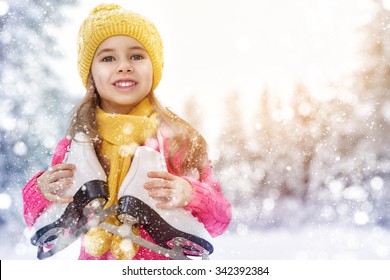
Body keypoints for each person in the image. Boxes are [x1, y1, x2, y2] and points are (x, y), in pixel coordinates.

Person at [22, 3, 231, 260]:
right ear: (91, 74)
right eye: (108, 58)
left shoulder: (177, 140)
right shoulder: (75, 146)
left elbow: (220, 219)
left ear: (153, 68)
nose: (124, 66)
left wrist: (191, 194)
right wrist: (40, 191)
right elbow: (32, 217)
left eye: (136, 56)